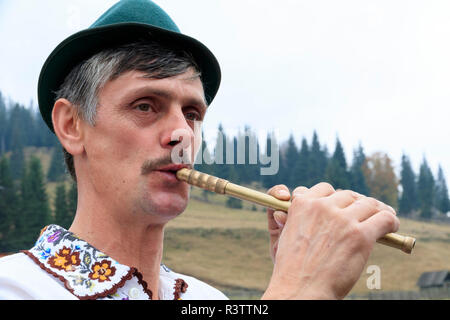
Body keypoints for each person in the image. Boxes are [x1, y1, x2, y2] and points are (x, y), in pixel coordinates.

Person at [0, 0, 399, 300]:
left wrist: (303, 266)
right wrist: (299, 288)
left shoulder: (206, 300)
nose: (181, 134)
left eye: (192, 113)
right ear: (72, 126)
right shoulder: (15, 287)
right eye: (145, 106)